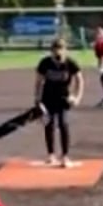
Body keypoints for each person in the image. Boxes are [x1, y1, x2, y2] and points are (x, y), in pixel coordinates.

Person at [35, 37, 84, 167]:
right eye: (55, 50)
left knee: (63, 123)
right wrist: (37, 100)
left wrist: (77, 97)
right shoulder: (45, 63)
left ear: (65, 50)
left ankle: (65, 156)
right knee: (49, 125)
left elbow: (80, 80)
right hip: (48, 98)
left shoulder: (70, 63)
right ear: (51, 51)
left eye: (61, 50)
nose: (58, 54)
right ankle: (51, 155)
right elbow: (39, 81)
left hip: (63, 98)